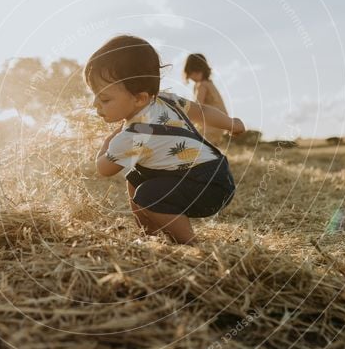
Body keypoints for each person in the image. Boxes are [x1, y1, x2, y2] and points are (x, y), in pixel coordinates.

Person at [84, 35, 245, 244]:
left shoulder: (131, 136)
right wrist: (231, 124)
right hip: (218, 176)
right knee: (135, 176)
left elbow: (103, 169)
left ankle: (188, 244)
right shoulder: (167, 100)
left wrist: (106, 144)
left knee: (148, 194)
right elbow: (201, 111)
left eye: (104, 98)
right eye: (94, 95)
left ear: (139, 98)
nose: (95, 104)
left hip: (207, 187)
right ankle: (149, 235)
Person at [183, 53, 229, 146]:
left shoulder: (202, 85)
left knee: (199, 145)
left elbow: (197, 107)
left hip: (211, 123)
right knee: (210, 147)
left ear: (194, 71)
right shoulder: (209, 83)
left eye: (191, 73)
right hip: (221, 121)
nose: (191, 77)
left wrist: (184, 122)